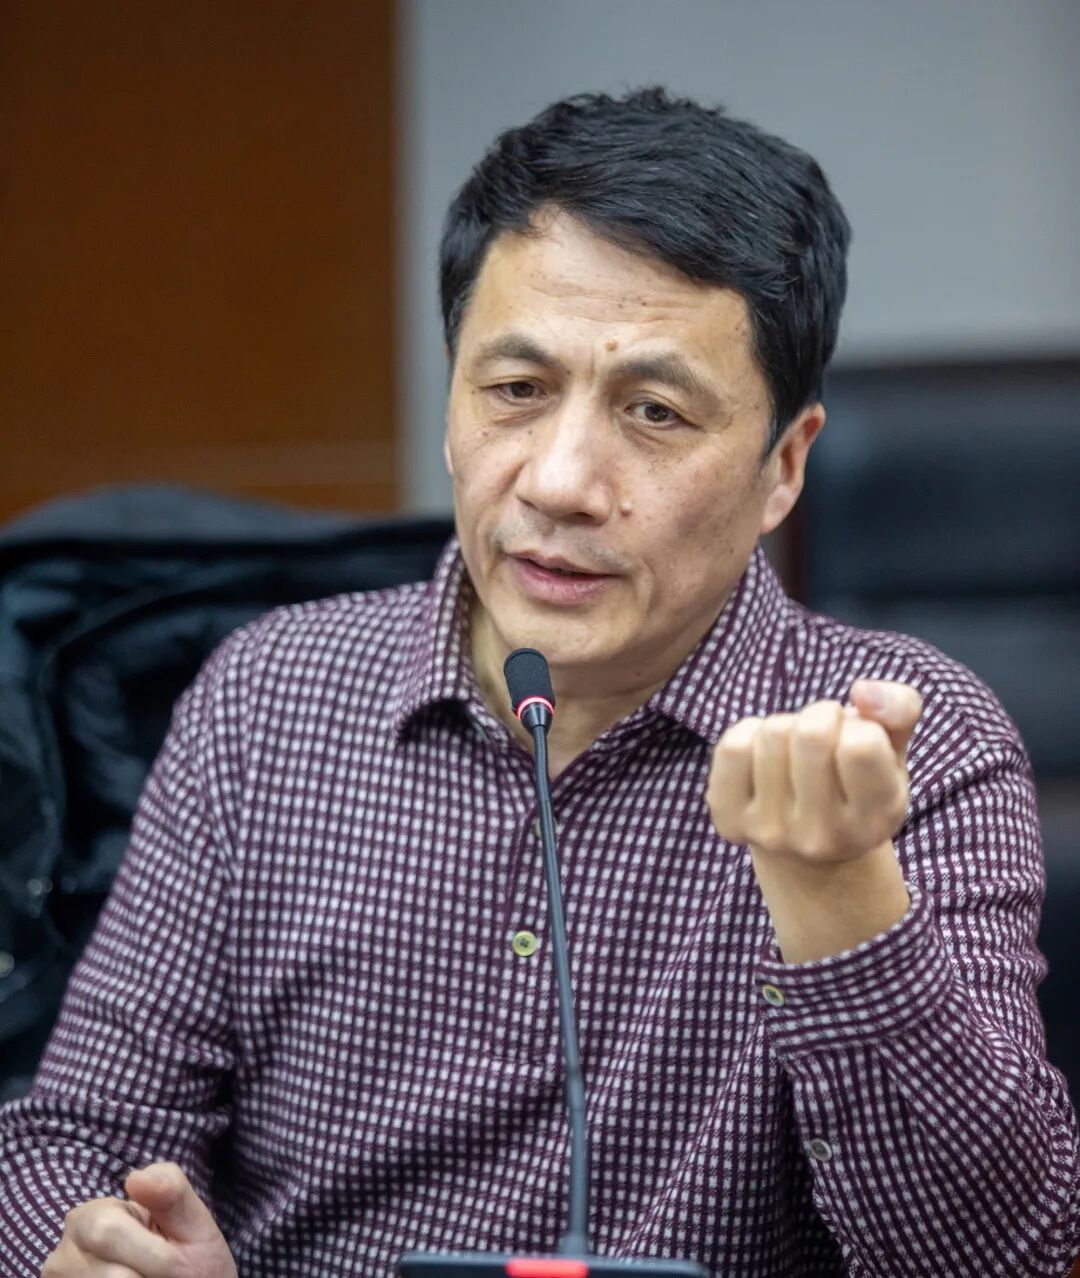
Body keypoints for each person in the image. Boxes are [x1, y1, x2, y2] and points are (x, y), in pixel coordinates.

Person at [1, 86, 1077, 1277]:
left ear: (783, 466)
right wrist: (105, 1251)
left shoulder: (909, 745)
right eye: (515, 391)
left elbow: (993, 1257)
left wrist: (836, 892)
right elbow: (75, 1136)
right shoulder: (269, 700)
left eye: (654, 412)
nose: (560, 481)